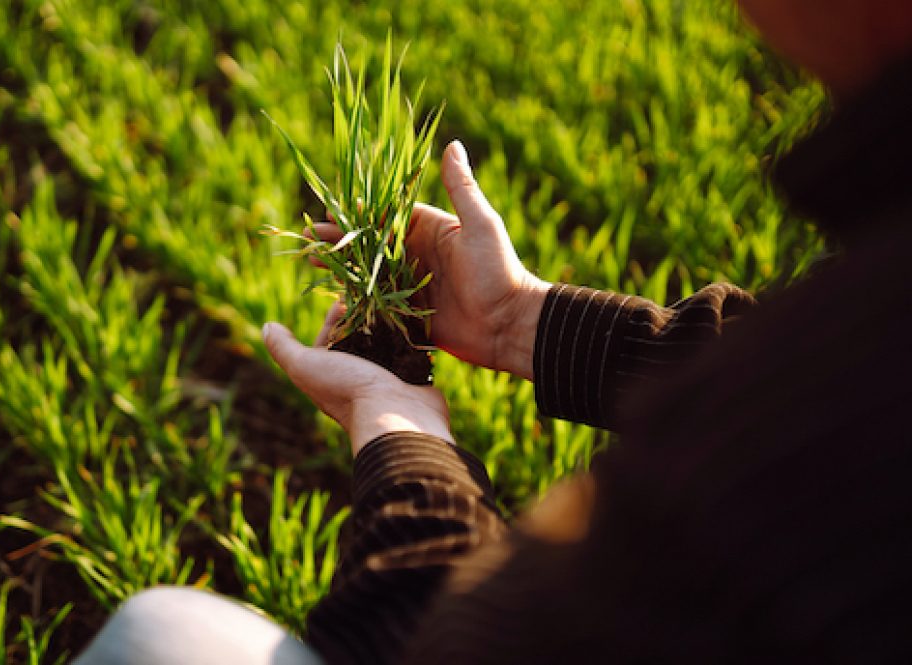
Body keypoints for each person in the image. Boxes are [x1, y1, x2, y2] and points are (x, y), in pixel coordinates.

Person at [75, 0, 912, 662]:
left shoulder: (811, 447)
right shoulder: (860, 329)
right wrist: (523, 318)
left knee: (163, 634)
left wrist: (398, 430)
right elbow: (783, 372)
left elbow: (459, 641)